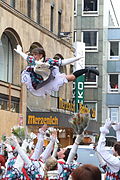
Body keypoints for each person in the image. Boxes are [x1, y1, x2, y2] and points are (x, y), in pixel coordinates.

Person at [14, 45, 99, 96]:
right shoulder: (32, 61)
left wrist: (76, 59)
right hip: (36, 82)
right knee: (33, 69)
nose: (34, 56)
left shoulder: (49, 61)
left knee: (71, 77)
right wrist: (19, 52)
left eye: (35, 54)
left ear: (41, 55)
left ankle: (87, 70)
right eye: (33, 54)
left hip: (49, 79)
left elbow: (62, 62)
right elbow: (25, 56)